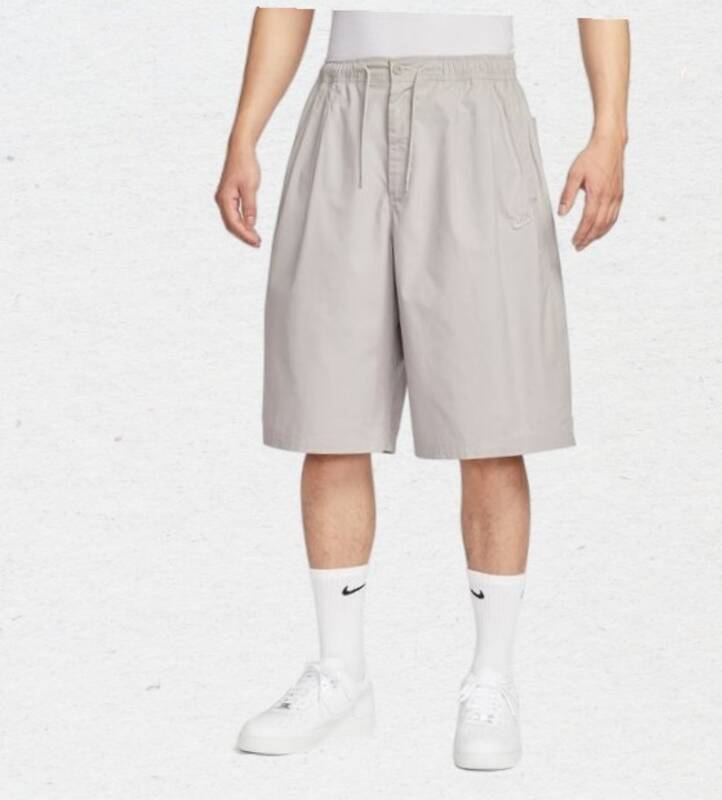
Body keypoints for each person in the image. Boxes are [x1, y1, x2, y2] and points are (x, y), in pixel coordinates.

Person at [215, 8, 629, 771]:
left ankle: (494, 679)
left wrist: (611, 131)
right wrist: (246, 133)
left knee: (491, 420)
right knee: (330, 409)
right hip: (343, 111)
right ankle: (341, 674)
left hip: (475, 111)